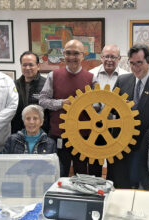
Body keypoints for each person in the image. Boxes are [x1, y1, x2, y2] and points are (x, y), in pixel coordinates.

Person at [107, 43, 149, 188]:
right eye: (132, 63)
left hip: (146, 146)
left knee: (141, 185)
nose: (136, 67)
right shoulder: (122, 81)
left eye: (139, 63)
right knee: (120, 183)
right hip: (121, 144)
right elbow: (111, 110)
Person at [39, 39, 97, 177]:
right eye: (68, 53)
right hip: (59, 136)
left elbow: (98, 105)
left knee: (82, 175)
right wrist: (61, 103)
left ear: (83, 55)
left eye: (76, 53)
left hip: (83, 137)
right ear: (63, 54)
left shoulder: (92, 78)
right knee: (59, 173)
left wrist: (84, 105)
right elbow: (42, 100)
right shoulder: (53, 76)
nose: (71, 57)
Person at [11, 51, 48, 134]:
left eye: (31, 65)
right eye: (24, 65)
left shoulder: (46, 84)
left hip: (40, 133)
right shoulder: (13, 85)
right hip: (18, 132)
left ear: (38, 66)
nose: (27, 68)